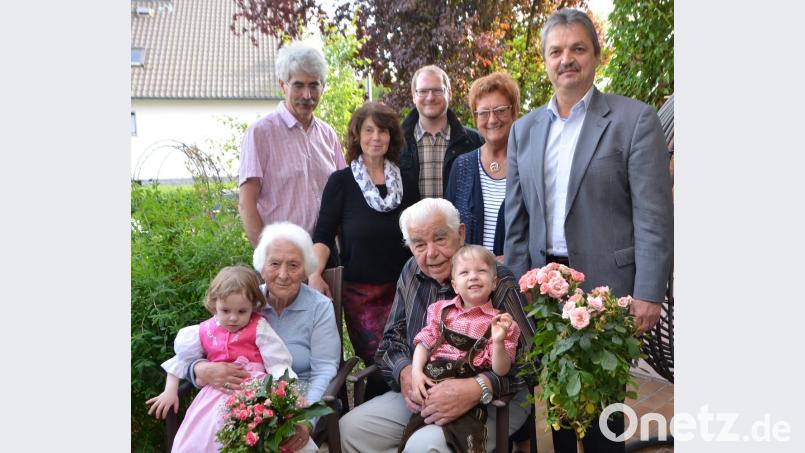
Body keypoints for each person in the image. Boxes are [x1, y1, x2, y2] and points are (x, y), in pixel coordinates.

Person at [504, 8, 673, 453]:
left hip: (608, 288)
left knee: (603, 416)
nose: (567, 59)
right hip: (544, 293)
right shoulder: (524, 131)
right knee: (559, 406)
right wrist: (515, 296)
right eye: (556, 51)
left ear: (596, 56)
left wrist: (649, 292)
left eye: (578, 48)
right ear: (544, 61)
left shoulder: (633, 120)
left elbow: (653, 214)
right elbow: (517, 222)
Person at [339, 198, 535, 453]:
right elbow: (390, 341)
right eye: (419, 244)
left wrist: (478, 387)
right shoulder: (411, 272)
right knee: (350, 430)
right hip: (426, 388)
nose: (430, 253)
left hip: (493, 400)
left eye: (440, 239)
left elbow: (532, 361)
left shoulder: (492, 278)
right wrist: (406, 374)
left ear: (460, 234)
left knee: (422, 447)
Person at [188, 222, 341, 452]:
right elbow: (207, 340)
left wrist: (307, 418)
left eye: (293, 265)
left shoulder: (319, 308)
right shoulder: (242, 302)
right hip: (239, 404)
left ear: (306, 268)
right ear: (262, 266)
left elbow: (324, 370)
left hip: (297, 403)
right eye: (275, 264)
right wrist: (199, 369)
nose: (283, 275)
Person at [309, 102, 418, 400]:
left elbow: (418, 238)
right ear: (357, 136)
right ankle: (370, 429)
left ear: (391, 137)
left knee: (409, 361)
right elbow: (323, 235)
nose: (376, 137)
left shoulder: (406, 183)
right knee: (384, 364)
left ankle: (394, 432)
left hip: (405, 293)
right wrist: (314, 273)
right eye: (368, 130)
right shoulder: (341, 182)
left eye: (382, 130)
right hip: (362, 297)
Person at [145, 266, 309, 452]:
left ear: (253, 306)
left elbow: (278, 364)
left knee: (262, 435)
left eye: (241, 311)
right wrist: (170, 390)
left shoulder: (259, 328)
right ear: (214, 303)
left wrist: (290, 392)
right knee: (204, 435)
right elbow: (181, 361)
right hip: (215, 394)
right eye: (225, 310)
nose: (233, 318)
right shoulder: (203, 331)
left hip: (256, 393)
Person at [401, 245, 520, 453]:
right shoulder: (441, 311)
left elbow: (501, 370)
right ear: (455, 285)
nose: (473, 277)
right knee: (412, 434)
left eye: (481, 271)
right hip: (431, 383)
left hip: (467, 399)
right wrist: (417, 372)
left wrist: (499, 341)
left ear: (494, 283)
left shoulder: (499, 322)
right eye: (465, 273)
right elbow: (424, 342)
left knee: (462, 440)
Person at [239, 40, 346, 247]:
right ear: (282, 85)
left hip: (325, 256)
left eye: (314, 85)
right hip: (283, 260)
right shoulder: (260, 134)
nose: (307, 95)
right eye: (298, 85)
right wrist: (267, 257)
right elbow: (246, 204)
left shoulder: (328, 135)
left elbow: (342, 198)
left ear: (322, 87)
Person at [445, 72, 520, 260]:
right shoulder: (461, 166)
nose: (492, 120)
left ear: (514, 112)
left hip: (515, 280)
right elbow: (449, 228)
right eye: (484, 113)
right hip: (469, 282)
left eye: (500, 110)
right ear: (475, 118)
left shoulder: (528, 165)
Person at [400, 65, 484, 199]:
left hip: (458, 220)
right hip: (409, 221)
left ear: (449, 94)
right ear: (414, 97)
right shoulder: (396, 142)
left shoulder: (474, 142)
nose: (430, 97)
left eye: (437, 90)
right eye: (423, 91)